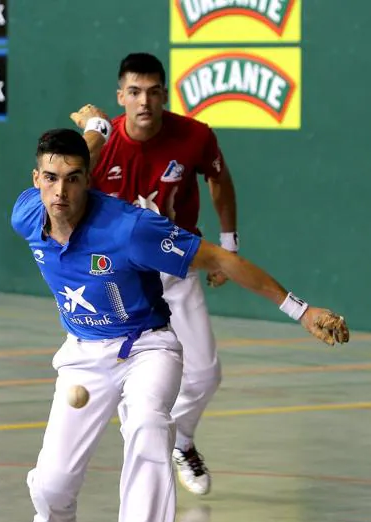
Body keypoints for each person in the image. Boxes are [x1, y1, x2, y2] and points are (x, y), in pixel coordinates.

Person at [3, 128, 349, 522]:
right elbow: (75, 159)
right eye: (50, 178)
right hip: (84, 352)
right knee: (52, 480)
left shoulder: (130, 228)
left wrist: (302, 309)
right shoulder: (26, 213)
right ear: (36, 179)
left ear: (89, 179)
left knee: (147, 426)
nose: (60, 192)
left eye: (73, 178)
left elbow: (219, 259)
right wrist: (96, 133)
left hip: (148, 346)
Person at [69, 52, 238, 496]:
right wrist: (92, 132)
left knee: (205, 375)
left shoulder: (195, 137)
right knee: (123, 378)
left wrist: (229, 243)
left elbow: (220, 181)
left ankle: (180, 439)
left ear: (165, 95)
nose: (144, 102)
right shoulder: (101, 150)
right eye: (135, 92)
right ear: (120, 96)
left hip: (177, 267)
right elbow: (67, 190)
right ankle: (144, 437)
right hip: (119, 280)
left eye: (154, 92)